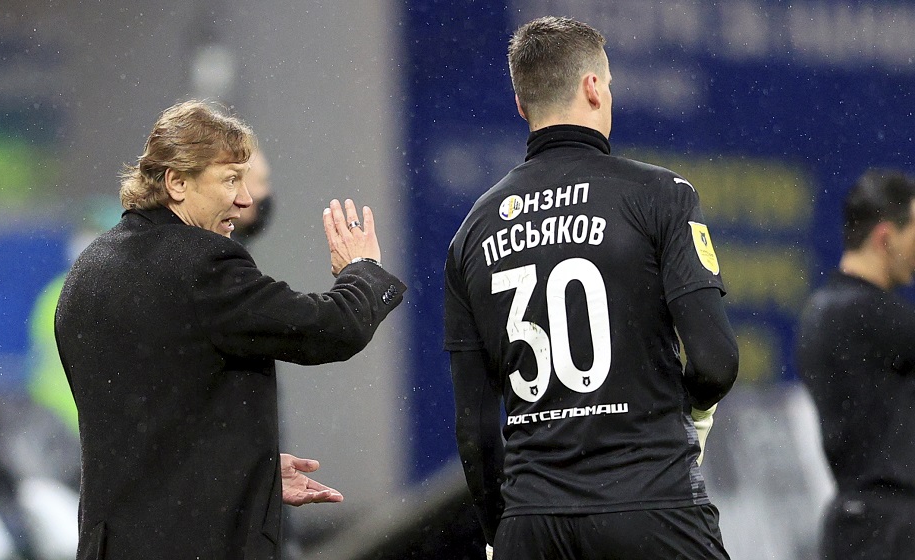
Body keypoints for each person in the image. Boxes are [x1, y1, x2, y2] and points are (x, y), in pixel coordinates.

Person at [54, 100, 405, 560]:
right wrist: (363, 270)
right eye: (230, 179)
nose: (245, 200)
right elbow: (332, 328)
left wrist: (250, 472)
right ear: (176, 182)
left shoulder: (89, 270)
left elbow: (151, 430)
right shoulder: (203, 264)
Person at [443, 16, 739, 560]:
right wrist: (681, 416)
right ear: (594, 87)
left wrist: (499, 531)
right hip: (651, 505)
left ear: (521, 106)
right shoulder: (660, 195)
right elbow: (716, 363)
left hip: (532, 525)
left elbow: (475, 431)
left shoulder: (472, 233)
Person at [797, 170, 915, 560]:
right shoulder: (872, 315)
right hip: (890, 533)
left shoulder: (821, 310)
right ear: (885, 237)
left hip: (856, 524)